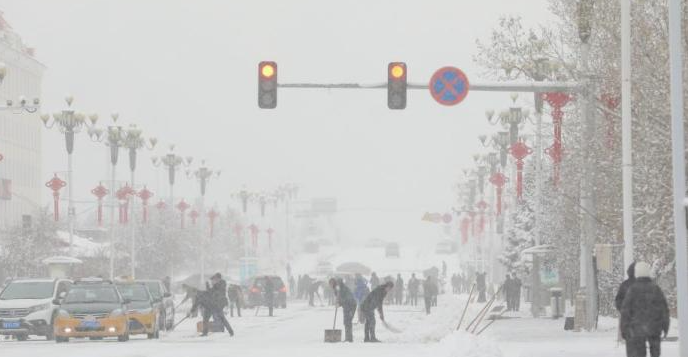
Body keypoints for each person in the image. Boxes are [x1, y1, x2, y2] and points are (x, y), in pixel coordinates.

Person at [620, 262, 670, 357]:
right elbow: (664, 309)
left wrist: (624, 328)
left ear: (636, 273)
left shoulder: (632, 290)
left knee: (638, 353)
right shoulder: (656, 289)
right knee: (655, 353)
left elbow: (625, 311)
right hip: (654, 328)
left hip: (636, 329)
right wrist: (665, 326)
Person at [329, 278, 357, 342]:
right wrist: (339, 303)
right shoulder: (336, 289)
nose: (330, 286)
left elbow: (347, 297)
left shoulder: (341, 288)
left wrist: (340, 303)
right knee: (347, 322)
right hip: (347, 305)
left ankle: (349, 338)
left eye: (330, 284)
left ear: (333, 283)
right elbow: (340, 298)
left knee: (347, 321)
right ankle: (349, 337)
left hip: (351, 305)